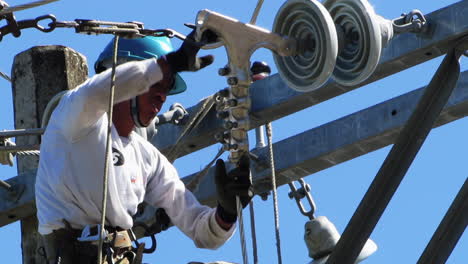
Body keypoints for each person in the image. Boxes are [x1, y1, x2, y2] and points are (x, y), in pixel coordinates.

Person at [35, 32, 253, 264]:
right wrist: (168, 64)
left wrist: (226, 214)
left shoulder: (147, 158)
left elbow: (200, 230)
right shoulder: (75, 120)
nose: (161, 96)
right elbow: (96, 91)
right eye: (154, 84)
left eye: (167, 88)